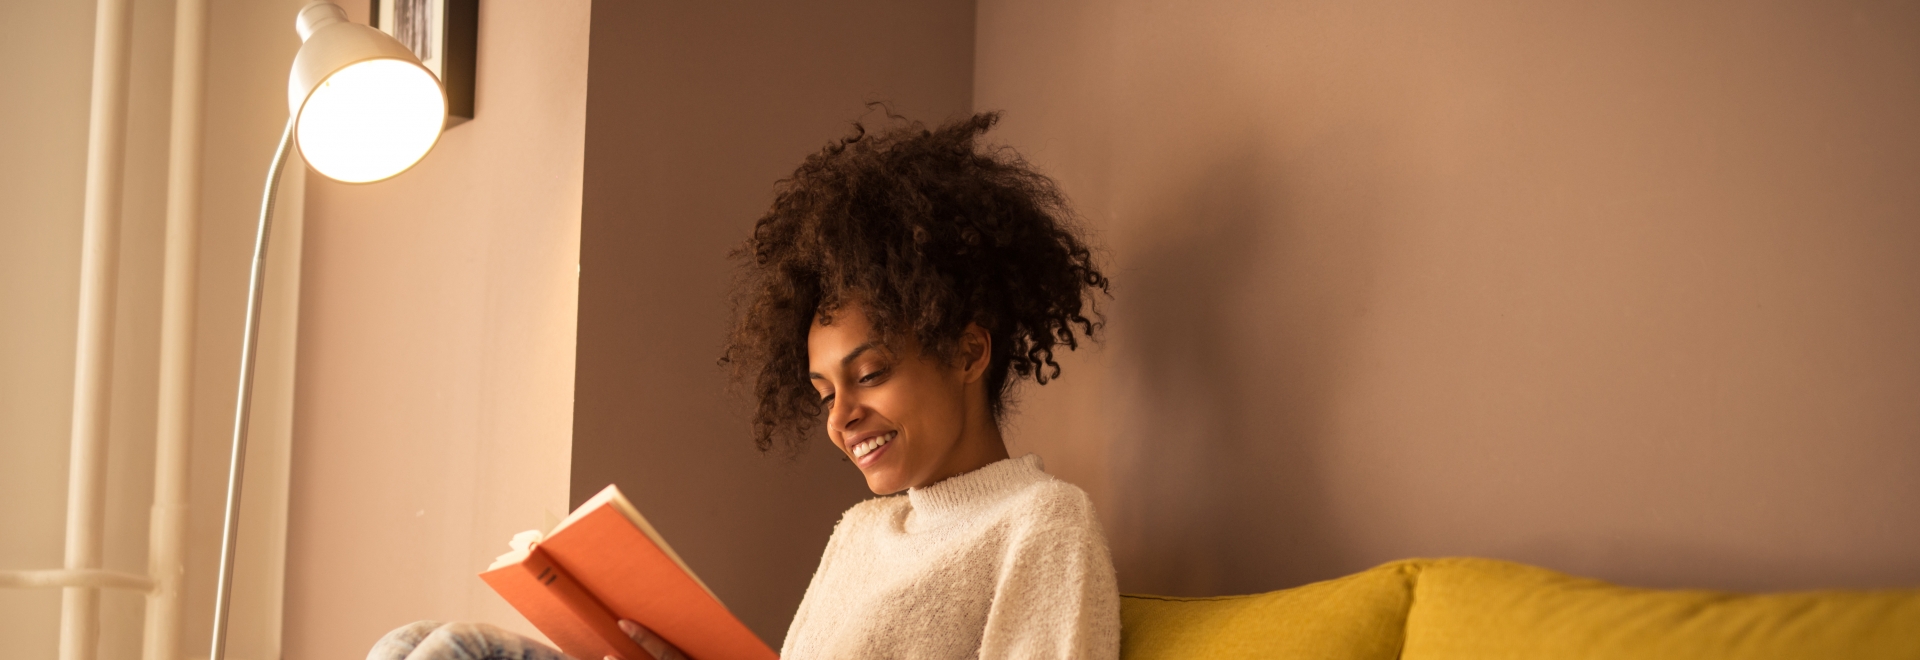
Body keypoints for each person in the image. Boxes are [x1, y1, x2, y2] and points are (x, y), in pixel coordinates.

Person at [369, 111, 1117, 660]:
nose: (843, 417)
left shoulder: (1040, 523)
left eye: (870, 374)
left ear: (969, 352)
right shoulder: (861, 534)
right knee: (416, 645)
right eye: (825, 392)